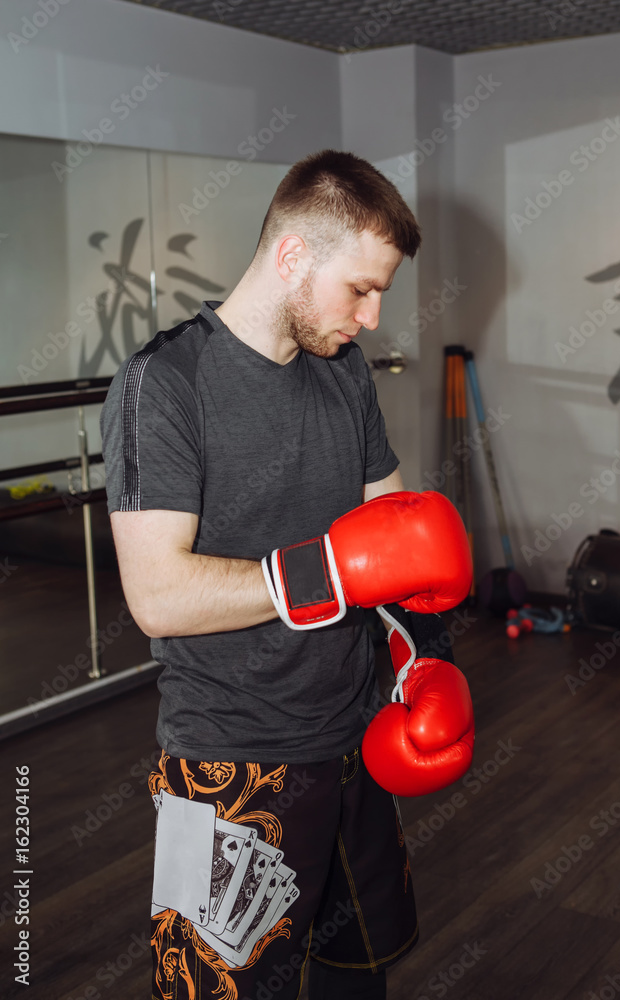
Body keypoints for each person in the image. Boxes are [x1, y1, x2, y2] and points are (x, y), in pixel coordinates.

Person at [100, 149, 470, 1000]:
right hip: (231, 764)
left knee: (357, 975)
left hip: (355, 737)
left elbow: (399, 531)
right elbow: (157, 596)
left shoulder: (342, 371)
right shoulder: (164, 384)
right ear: (294, 255)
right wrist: (329, 571)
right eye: (360, 289)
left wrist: (427, 657)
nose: (371, 317)